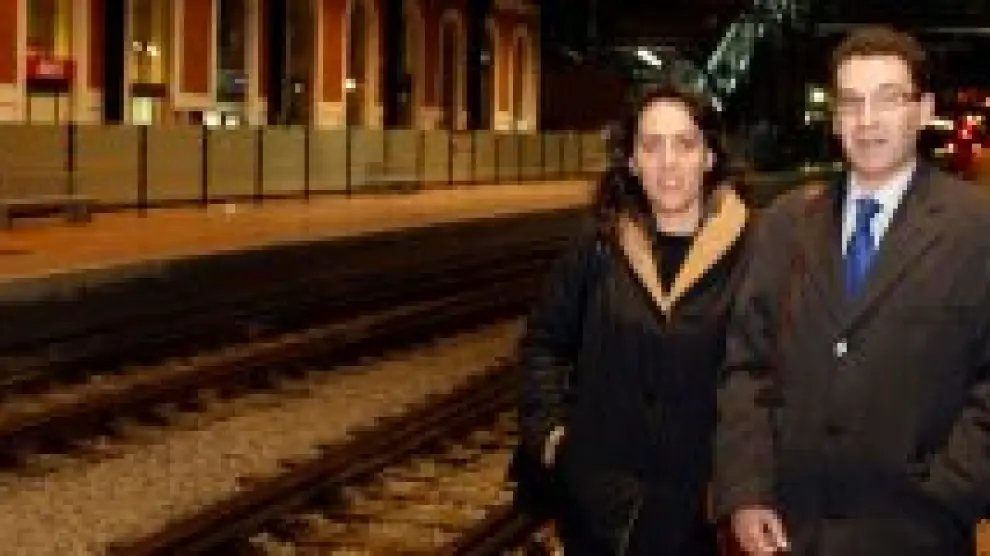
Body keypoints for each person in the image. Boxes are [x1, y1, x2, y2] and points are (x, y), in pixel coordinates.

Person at [714, 25, 990, 556]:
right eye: (851, 102)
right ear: (836, 118)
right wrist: (745, 491)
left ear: (923, 110)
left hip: (917, 532)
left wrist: (951, 492)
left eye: (887, 100)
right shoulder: (786, 223)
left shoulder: (976, 229)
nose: (867, 120)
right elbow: (747, 366)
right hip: (790, 530)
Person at [514, 83, 751, 555]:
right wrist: (555, 439)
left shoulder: (753, 252)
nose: (668, 162)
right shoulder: (598, 246)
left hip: (699, 520)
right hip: (598, 516)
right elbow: (543, 344)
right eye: (651, 145)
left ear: (709, 157)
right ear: (631, 161)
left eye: (685, 144)